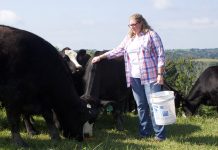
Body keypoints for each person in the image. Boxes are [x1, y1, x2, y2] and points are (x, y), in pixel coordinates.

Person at [92, 13, 166, 141]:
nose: (132, 27)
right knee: (141, 106)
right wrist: (100, 57)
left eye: (134, 24)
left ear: (141, 22)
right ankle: (144, 132)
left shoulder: (151, 35)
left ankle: (160, 135)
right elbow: (118, 50)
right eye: (130, 25)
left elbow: (161, 55)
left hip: (152, 77)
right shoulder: (129, 38)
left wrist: (160, 74)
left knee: (155, 105)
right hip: (134, 77)